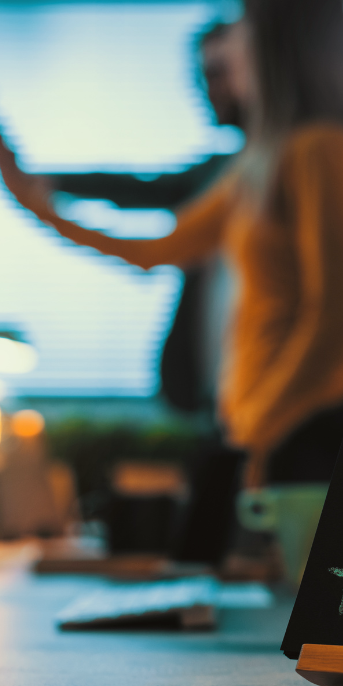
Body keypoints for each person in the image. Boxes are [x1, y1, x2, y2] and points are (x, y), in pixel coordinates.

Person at [0, 0, 343, 563]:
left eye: (241, 28)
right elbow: (152, 252)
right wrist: (31, 201)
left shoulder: (323, 150)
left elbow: (337, 324)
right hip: (258, 430)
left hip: (302, 430)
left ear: (275, 38)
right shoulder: (257, 162)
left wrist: (257, 431)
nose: (230, 46)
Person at [47, 21, 244, 414]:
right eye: (201, 76)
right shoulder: (228, 173)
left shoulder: (288, 165)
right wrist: (43, 186)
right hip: (223, 389)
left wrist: (36, 198)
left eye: (218, 72)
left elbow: (149, 248)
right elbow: (143, 190)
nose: (206, 90)